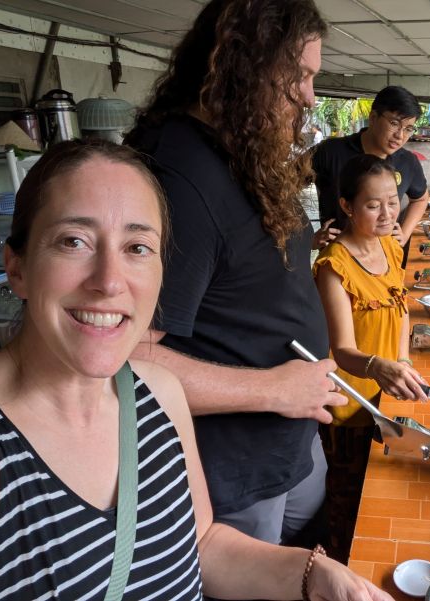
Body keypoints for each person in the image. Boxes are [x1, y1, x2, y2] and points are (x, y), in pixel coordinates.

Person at [0, 140, 392, 601]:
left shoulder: (157, 395)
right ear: (17, 268)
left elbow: (203, 546)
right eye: (74, 241)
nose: (109, 281)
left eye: (137, 247)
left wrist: (314, 575)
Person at [125, 0, 346, 545]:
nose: (310, 96)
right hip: (233, 467)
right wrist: (273, 390)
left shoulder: (238, 149)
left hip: (286, 441)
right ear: (243, 65)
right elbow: (123, 359)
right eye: (298, 76)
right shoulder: (178, 178)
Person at [313, 154, 428, 559]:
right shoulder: (334, 266)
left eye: (392, 202)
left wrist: (403, 360)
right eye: (372, 205)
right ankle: (339, 565)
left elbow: (400, 307)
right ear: (346, 206)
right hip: (352, 401)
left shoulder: (391, 248)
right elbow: (342, 351)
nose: (386, 213)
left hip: (388, 390)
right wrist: (379, 367)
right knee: (348, 494)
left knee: (384, 487)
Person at [313, 86, 430, 265]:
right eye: (394, 124)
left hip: (385, 260)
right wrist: (306, 238)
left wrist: (405, 234)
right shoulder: (331, 151)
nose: (400, 136)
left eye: (408, 128)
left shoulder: (407, 162)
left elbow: (421, 199)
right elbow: (282, 188)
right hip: (338, 261)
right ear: (374, 118)